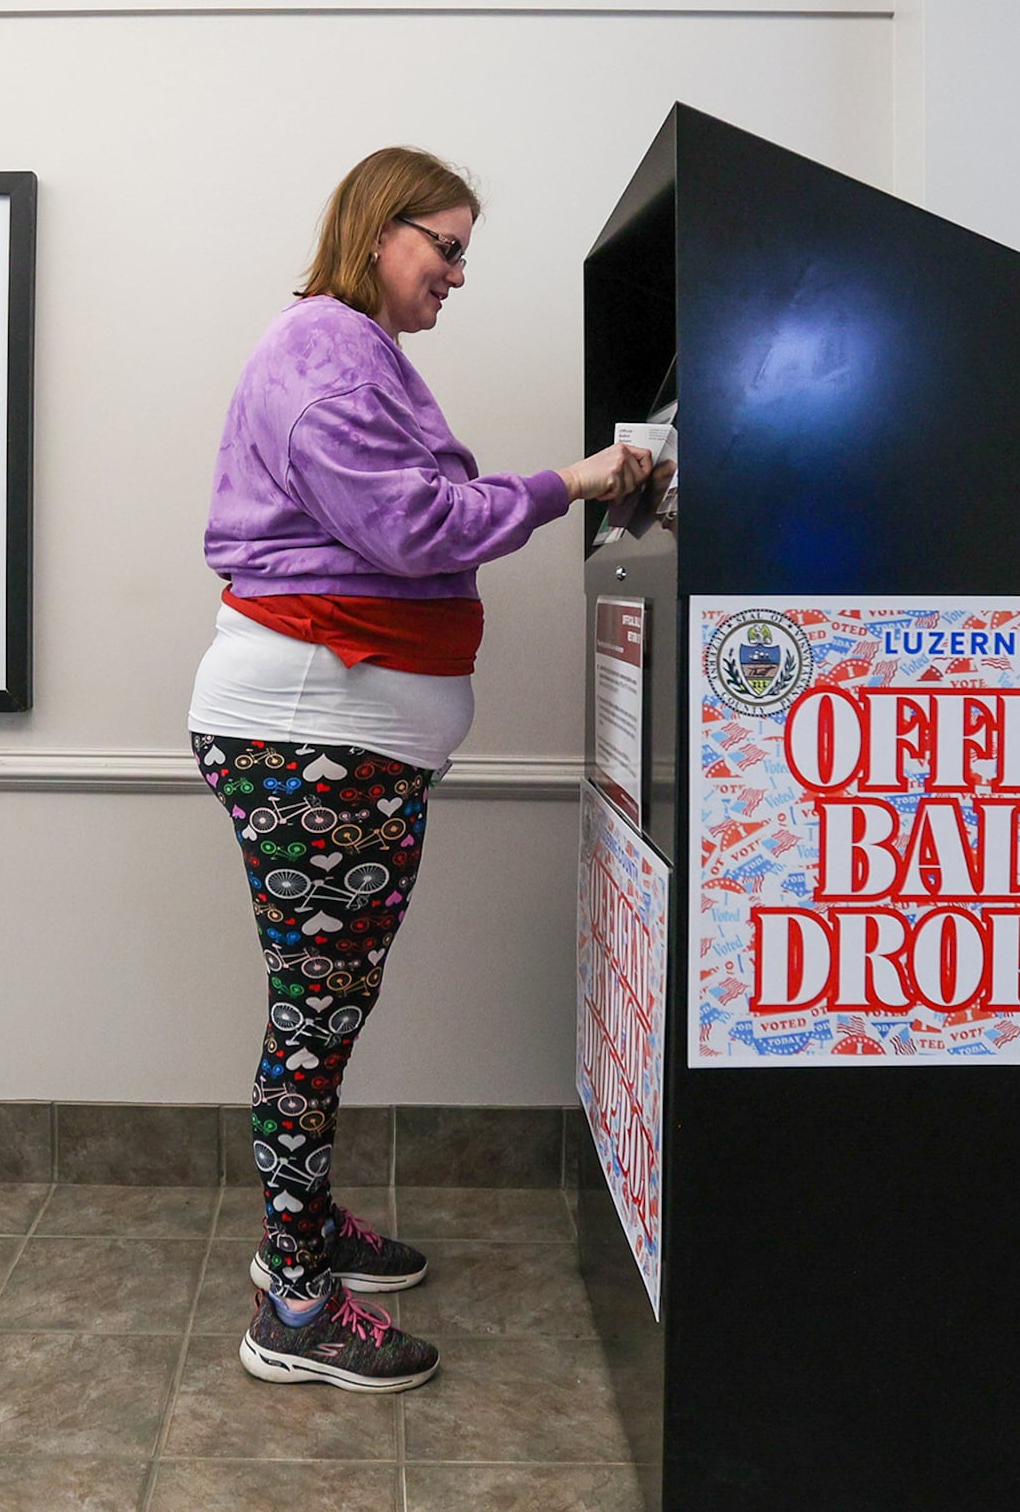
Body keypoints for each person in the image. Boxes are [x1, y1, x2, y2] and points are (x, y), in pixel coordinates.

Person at [189, 146, 651, 1392]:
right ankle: (291, 1301)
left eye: (461, 254)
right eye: (442, 246)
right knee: (316, 1009)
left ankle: (307, 1226)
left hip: (341, 735)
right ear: (376, 230)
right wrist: (573, 480)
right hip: (311, 733)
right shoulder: (324, 358)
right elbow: (410, 526)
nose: (454, 275)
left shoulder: (352, 354)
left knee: (326, 1000)